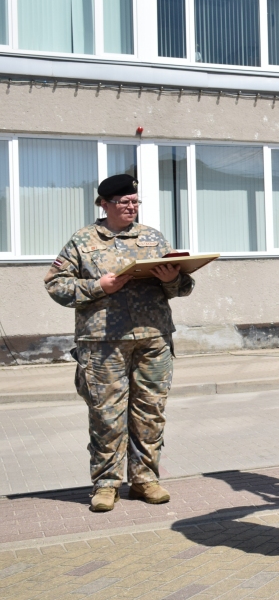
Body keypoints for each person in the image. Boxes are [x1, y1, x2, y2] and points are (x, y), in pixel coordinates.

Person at [44, 174, 194, 513]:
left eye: (135, 202)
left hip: (152, 338)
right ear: (104, 204)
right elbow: (55, 285)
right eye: (124, 202)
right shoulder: (83, 240)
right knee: (106, 416)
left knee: (150, 413)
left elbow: (183, 286)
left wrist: (173, 280)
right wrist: (99, 287)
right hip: (102, 343)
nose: (131, 207)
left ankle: (144, 480)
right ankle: (106, 484)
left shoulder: (152, 238)